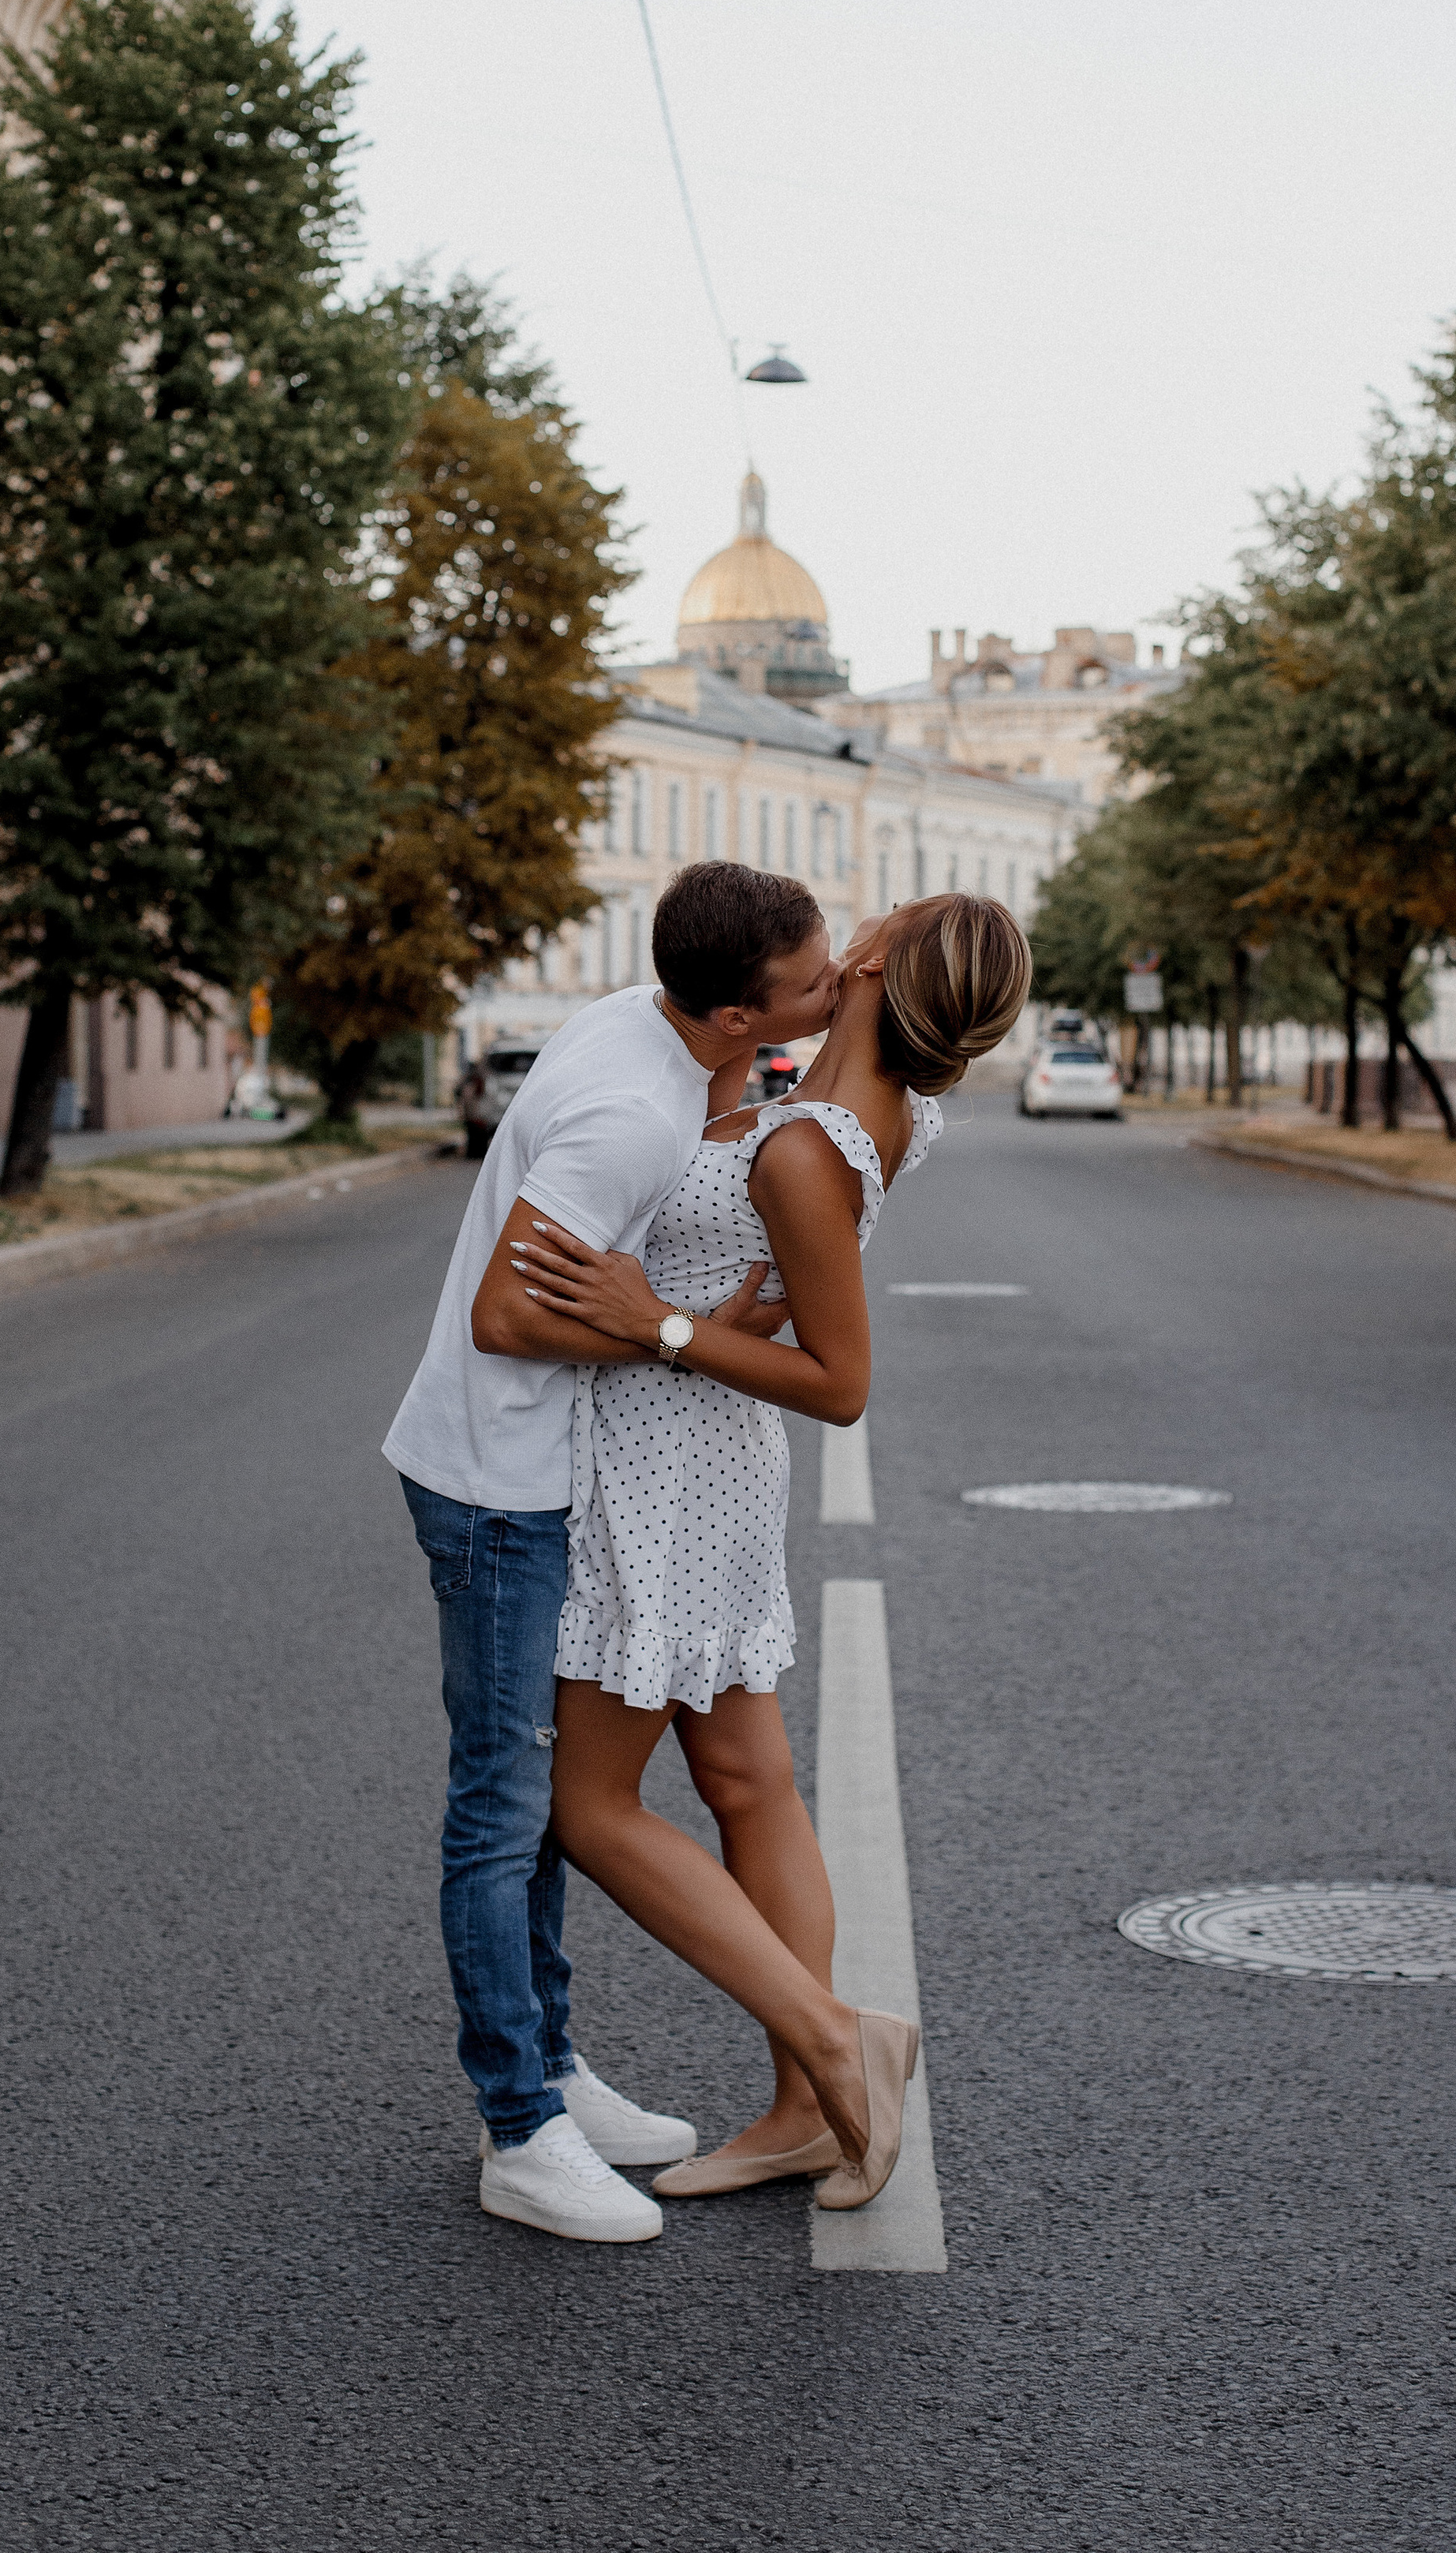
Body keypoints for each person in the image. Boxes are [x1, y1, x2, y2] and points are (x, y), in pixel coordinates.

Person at [499, 895, 1032, 2210]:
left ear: (867, 963)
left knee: (593, 1809)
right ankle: (806, 2110)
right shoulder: (850, 1109)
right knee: (748, 1782)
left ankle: (835, 2043)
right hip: (712, 1463)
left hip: (672, 1466)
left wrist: (657, 1323)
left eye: (881, 914)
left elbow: (842, 1381)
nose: (857, 913)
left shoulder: (810, 1147)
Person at [383, 862, 842, 2244]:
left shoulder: (650, 1032)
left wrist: (684, 1300)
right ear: (721, 1014)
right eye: (811, 986)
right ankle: (519, 2130)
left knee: (528, 1806)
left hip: (537, 1475)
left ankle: (557, 2071)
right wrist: (663, 1328)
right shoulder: (631, 1115)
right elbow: (506, 1319)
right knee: (502, 1810)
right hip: (499, 1486)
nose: (830, 996)